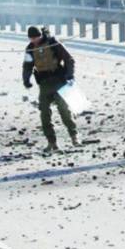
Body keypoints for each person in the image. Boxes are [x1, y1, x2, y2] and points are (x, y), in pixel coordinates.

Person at [22, 25, 79, 153]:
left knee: (64, 110)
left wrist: (70, 75)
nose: (34, 40)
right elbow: (27, 66)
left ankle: (74, 137)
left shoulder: (53, 43)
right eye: (32, 38)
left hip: (59, 80)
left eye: (36, 37)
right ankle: (52, 143)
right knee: (44, 114)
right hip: (44, 84)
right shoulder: (30, 48)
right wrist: (26, 80)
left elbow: (69, 59)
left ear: (40, 35)